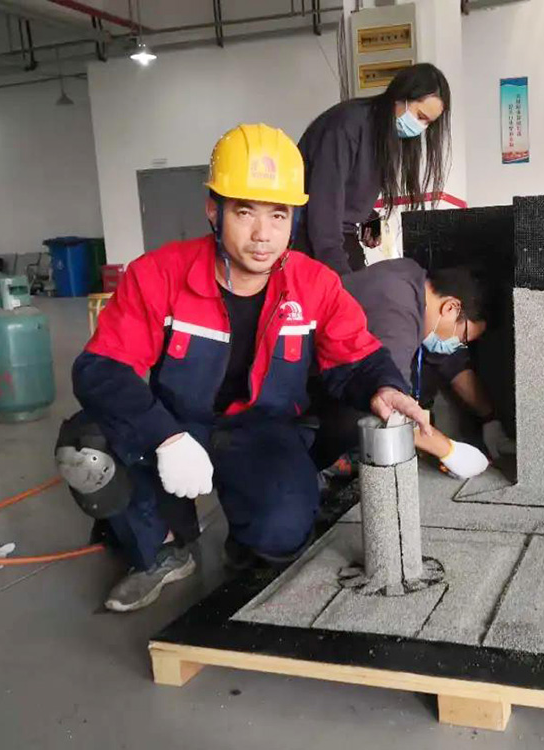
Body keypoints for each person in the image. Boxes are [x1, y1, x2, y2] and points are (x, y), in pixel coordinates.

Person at [65, 124, 427, 613]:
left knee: (282, 532)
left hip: (262, 428)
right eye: (244, 212)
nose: (263, 234)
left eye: (278, 215)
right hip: (172, 421)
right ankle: (161, 547)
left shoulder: (314, 284)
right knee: (87, 448)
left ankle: (249, 532)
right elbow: (101, 368)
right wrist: (164, 437)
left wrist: (385, 386)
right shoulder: (158, 275)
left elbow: (355, 354)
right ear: (213, 210)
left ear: (294, 218)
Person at [311, 258, 510, 477]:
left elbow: (452, 364)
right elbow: (391, 409)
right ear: (451, 307)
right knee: (365, 417)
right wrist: (449, 451)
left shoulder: (415, 281)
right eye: (462, 338)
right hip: (307, 388)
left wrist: (490, 419)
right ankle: (320, 462)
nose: (458, 345)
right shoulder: (396, 318)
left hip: (333, 372)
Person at [294, 63, 451, 274]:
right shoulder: (346, 125)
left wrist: (369, 216)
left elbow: (349, 188)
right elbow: (324, 203)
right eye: (420, 116)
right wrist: (342, 278)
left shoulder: (384, 133)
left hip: (338, 235)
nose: (421, 127)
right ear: (400, 97)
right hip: (309, 236)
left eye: (428, 123)